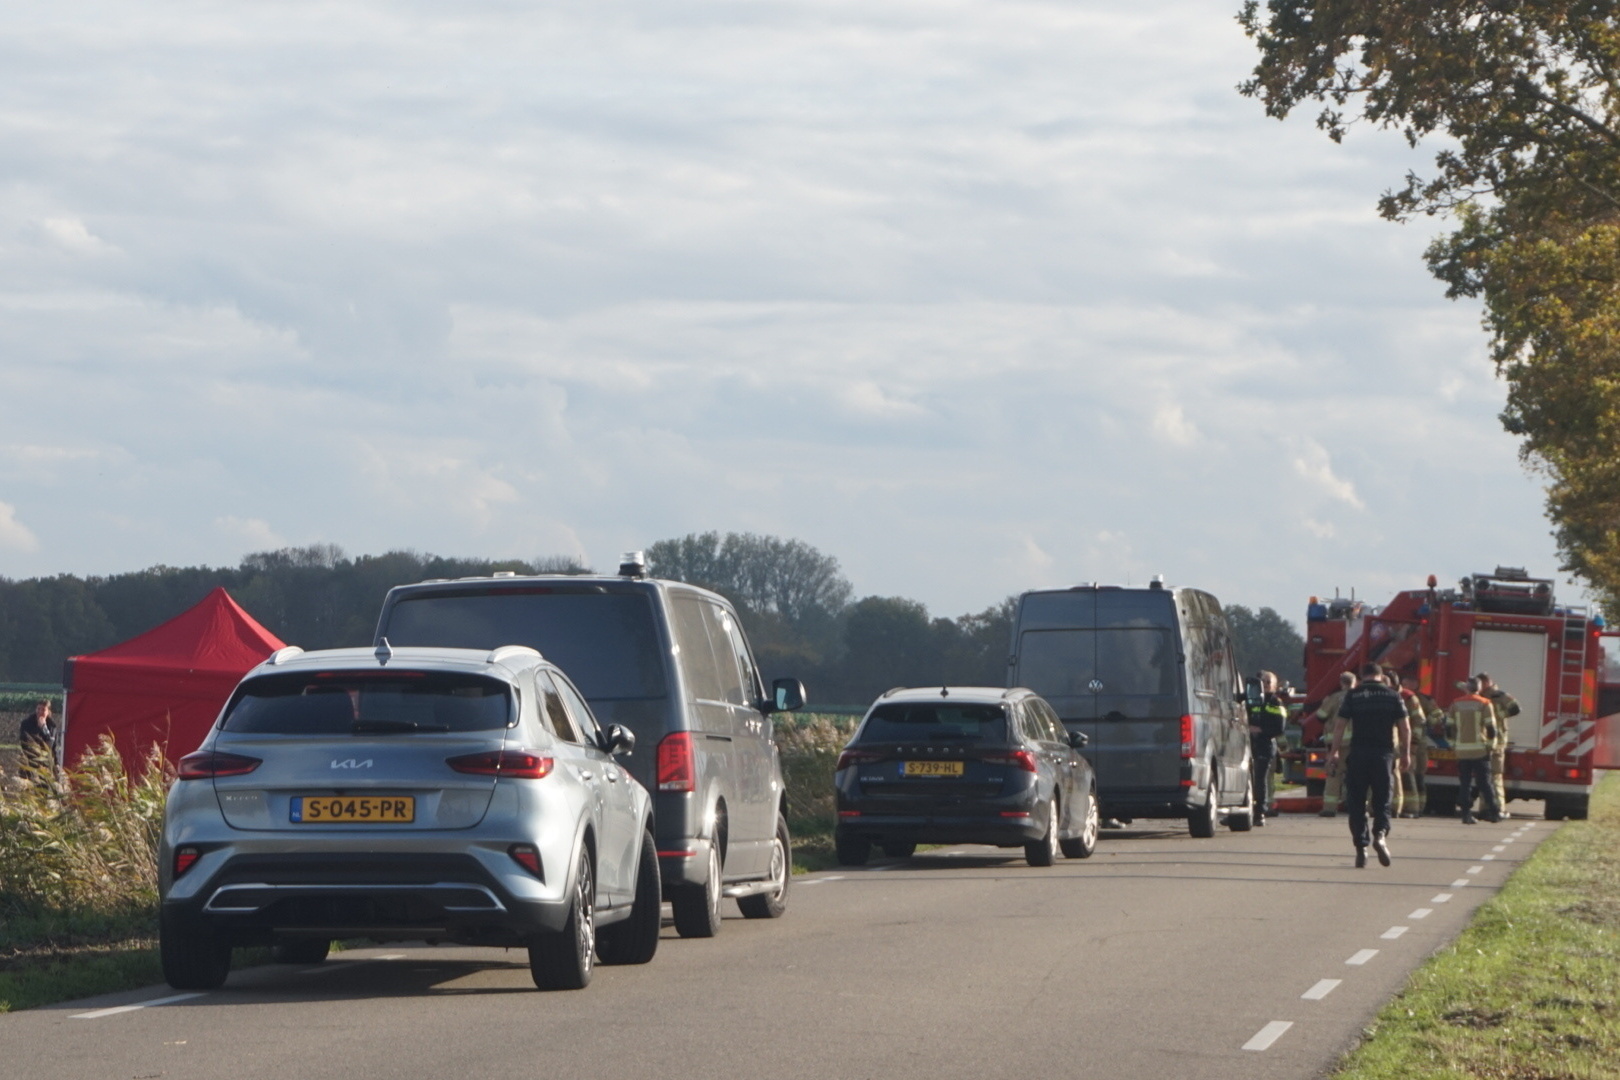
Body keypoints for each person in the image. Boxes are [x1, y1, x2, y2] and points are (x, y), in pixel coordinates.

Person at [1327, 663, 1411, 868]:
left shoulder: (1353, 696)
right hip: (1383, 755)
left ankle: (1361, 848)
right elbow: (1405, 727)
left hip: (1358, 755)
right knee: (1382, 799)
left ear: (1362, 676)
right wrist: (1407, 754)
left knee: (1356, 801)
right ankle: (1380, 835)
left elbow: (1339, 725)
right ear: (1381, 677)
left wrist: (1334, 751)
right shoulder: (1393, 696)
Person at [1446, 677, 1501, 824]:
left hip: (1462, 751)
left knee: (1465, 783)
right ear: (1479, 688)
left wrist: (1453, 744)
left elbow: (1448, 726)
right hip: (1480, 751)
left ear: (1467, 688)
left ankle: (1466, 815)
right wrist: (1490, 746)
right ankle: (1494, 813)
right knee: (1485, 784)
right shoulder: (1484, 703)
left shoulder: (1456, 703)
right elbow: (1491, 728)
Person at [1247, 670, 1288, 825]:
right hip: (1249, 744)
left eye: (1268, 682)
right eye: (1261, 682)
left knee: (1259, 779)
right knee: (1246, 779)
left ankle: (1260, 813)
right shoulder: (1252, 700)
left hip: (1265, 745)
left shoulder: (1275, 702)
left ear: (1274, 686)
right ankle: (1242, 812)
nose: (1264, 684)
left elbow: (1280, 727)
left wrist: (1260, 730)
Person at [1477, 672, 1519, 817]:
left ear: (1489, 682)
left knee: (1495, 775)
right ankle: (1484, 808)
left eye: (1483, 683)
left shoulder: (1500, 695)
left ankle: (1499, 808)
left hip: (1498, 742)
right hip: (1482, 741)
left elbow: (1515, 708)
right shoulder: (1479, 696)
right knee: (1484, 776)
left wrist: (1496, 716)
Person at [1315, 672, 1356, 817]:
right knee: (1356, 776)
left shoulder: (1335, 698)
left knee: (1334, 775)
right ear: (1354, 682)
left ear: (1341, 683)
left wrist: (1324, 702)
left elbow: (1320, 716)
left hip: (1336, 743)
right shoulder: (1360, 697)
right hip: (1357, 744)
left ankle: (1329, 808)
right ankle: (1356, 807)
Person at [1398, 675, 1435, 818]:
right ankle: (1414, 807)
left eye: (1412, 681)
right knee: (1409, 774)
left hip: (1418, 743)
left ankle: (1418, 807)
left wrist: (1427, 724)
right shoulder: (1403, 697)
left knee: (1416, 774)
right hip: (1407, 741)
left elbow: (1436, 715)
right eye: (1407, 681)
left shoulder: (1422, 699)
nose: (1409, 684)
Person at [17, 698, 57, 783]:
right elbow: (25, 742)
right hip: (29, 761)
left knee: (43, 788)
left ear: (48, 712)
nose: (40, 712)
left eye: (43, 709)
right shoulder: (27, 724)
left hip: (44, 764)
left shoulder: (52, 726)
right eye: (38, 709)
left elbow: (51, 745)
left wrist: (44, 728)